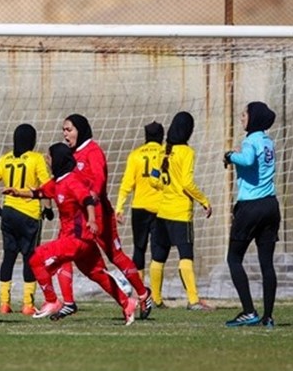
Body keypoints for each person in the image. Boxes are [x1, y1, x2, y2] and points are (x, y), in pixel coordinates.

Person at [4, 143, 137, 326]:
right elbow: (40, 192)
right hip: (83, 242)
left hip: (76, 239)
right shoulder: (58, 181)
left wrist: (91, 220)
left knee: (35, 258)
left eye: (49, 156)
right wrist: (19, 193)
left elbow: (88, 199)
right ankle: (127, 302)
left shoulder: (72, 181)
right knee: (97, 273)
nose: (46, 159)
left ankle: (52, 300)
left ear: (58, 159)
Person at [57, 114, 151, 320]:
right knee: (63, 252)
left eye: (69, 129)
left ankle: (143, 293)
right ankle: (68, 302)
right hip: (77, 219)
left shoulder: (93, 151)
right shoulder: (70, 154)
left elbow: (99, 179)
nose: (65, 134)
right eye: (64, 130)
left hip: (99, 215)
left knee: (115, 256)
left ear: (80, 130)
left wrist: (92, 196)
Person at [148, 111, 213, 311]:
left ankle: (156, 300)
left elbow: (153, 179)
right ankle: (193, 301)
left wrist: (166, 187)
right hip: (180, 213)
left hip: (161, 213)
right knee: (186, 257)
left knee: (158, 258)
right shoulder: (187, 152)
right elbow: (187, 183)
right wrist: (204, 201)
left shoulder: (162, 151)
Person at [223, 102, 280, 328]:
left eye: (244, 114)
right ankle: (268, 316)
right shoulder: (268, 142)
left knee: (234, 258)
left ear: (253, 117)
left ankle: (248, 311)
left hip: (251, 208)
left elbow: (246, 159)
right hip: (270, 206)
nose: (241, 117)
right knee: (266, 263)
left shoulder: (251, 140)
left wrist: (229, 155)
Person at [0, 123, 52, 316]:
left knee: (8, 257)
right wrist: (48, 208)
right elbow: (46, 186)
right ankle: (27, 304)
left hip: (8, 213)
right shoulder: (36, 158)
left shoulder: (5, 159)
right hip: (29, 214)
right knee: (30, 258)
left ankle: (4, 303)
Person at [115, 121, 165, 284]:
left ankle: (139, 290)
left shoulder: (135, 155)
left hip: (139, 208)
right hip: (160, 207)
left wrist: (119, 208)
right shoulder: (164, 153)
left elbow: (126, 184)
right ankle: (157, 295)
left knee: (139, 249)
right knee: (157, 250)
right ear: (162, 136)